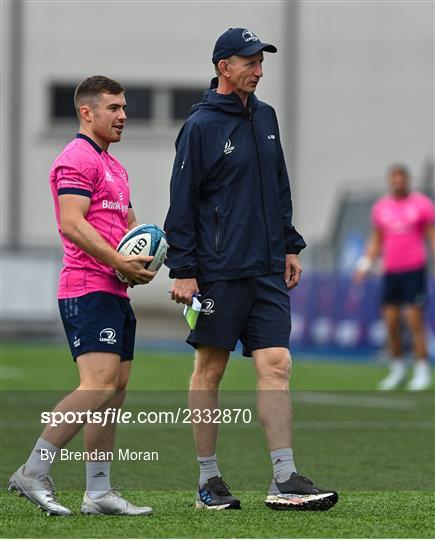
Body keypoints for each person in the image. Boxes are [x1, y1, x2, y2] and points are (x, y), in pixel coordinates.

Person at [164, 28, 338, 511]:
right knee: (210, 370)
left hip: (266, 268)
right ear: (224, 66)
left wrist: (289, 245)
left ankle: (284, 477)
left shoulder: (266, 117)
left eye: (262, 62)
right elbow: (183, 202)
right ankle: (208, 482)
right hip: (218, 270)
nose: (259, 71)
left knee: (277, 364)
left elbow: (278, 185)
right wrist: (183, 269)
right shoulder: (199, 126)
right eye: (250, 62)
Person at [8, 76, 155, 516]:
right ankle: (32, 471)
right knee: (98, 385)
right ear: (86, 112)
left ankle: (98, 491)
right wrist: (118, 259)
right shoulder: (76, 159)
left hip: (116, 290)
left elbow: (133, 229)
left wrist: (149, 259)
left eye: (125, 107)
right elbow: (72, 223)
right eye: (113, 107)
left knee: (115, 391)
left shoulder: (116, 167)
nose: (123, 115)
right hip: (87, 287)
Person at [355, 164, 435, 391]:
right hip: (391, 271)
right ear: (390, 182)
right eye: (394, 179)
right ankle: (397, 369)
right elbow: (377, 239)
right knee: (390, 322)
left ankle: (421, 371)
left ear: (407, 180)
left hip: (414, 269)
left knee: (413, 319)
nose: (398, 183)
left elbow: (431, 235)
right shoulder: (382, 208)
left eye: (401, 179)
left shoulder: (421, 205)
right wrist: (365, 262)